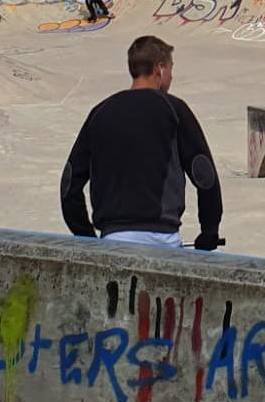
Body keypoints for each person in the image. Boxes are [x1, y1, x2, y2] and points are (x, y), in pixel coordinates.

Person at [61, 35, 223, 251]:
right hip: (162, 238)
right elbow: (205, 175)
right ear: (159, 69)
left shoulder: (101, 112)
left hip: (113, 238)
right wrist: (209, 232)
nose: (171, 77)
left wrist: (87, 238)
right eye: (171, 69)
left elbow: (69, 184)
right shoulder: (174, 109)